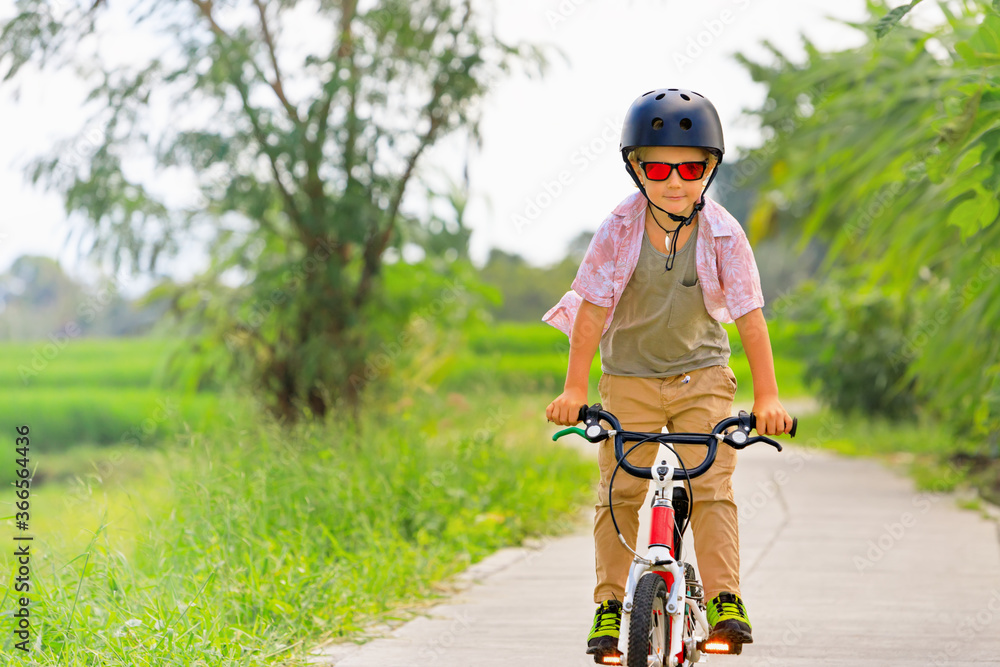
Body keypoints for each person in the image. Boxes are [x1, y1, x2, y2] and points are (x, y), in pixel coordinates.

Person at [542, 87, 794, 661]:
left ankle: (726, 599)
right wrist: (575, 390)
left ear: (709, 168)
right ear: (636, 168)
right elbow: (591, 315)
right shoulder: (618, 230)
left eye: (689, 167)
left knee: (710, 486)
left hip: (701, 377)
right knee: (618, 489)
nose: (674, 180)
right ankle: (610, 605)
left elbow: (752, 320)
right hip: (628, 378)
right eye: (658, 166)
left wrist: (769, 398)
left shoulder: (725, 233)